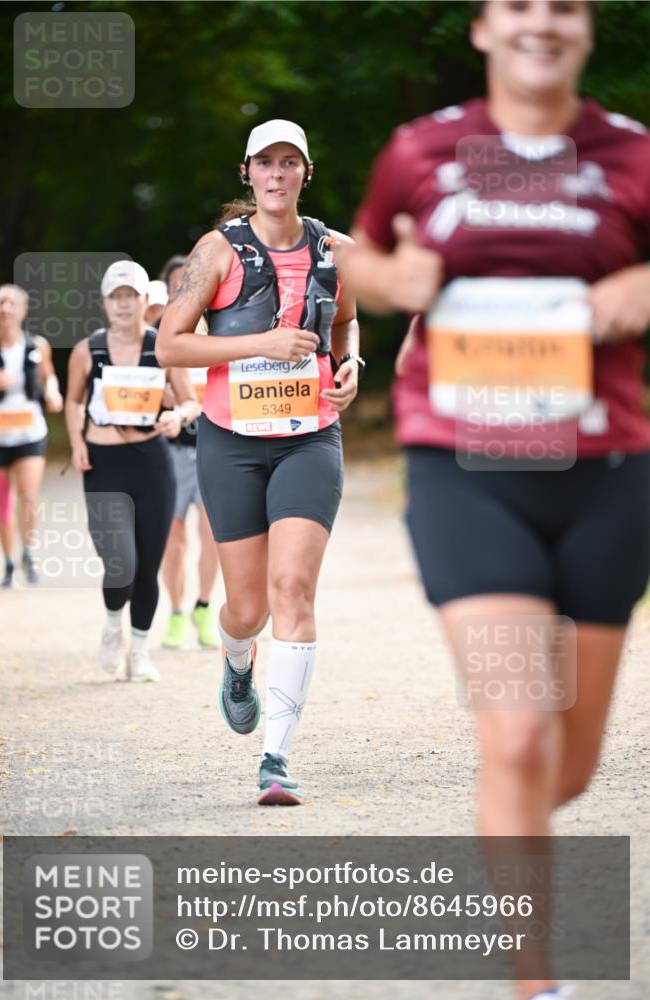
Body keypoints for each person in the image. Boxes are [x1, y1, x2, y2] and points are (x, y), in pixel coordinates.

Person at [343, 2, 650, 998]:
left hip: (603, 476)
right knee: (516, 732)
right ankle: (534, 981)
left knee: (566, 768)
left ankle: (507, 827)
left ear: (587, 29)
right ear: (482, 28)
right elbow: (359, 257)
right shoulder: (420, 150)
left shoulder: (632, 155)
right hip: (466, 470)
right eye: (520, 4)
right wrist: (394, 276)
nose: (541, 24)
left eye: (564, 6)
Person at [157, 119, 361, 804]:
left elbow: (343, 323)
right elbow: (169, 346)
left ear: (307, 172)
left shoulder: (337, 250)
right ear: (247, 172)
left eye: (289, 162)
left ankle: (275, 758)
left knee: (292, 592)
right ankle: (237, 657)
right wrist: (260, 343)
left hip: (310, 437)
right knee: (247, 609)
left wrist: (351, 364)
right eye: (264, 163)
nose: (277, 174)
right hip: (232, 441)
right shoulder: (216, 251)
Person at [65, 260, 200, 682]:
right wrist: (76, 442)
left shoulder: (164, 347)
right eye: (115, 297)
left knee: (147, 566)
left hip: (152, 464)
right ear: (105, 303)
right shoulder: (88, 350)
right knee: (120, 561)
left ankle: (139, 652)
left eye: (131, 296)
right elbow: (73, 401)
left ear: (145, 300)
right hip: (103, 464)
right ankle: (112, 627)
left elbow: (191, 400)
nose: (123, 304)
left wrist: (177, 416)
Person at [154, 256, 220, 651]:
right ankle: (177, 612)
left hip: (217, 450)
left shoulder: (223, 333)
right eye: (176, 286)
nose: (185, 292)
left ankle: (204, 607)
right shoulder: (160, 338)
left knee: (213, 537)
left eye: (190, 283)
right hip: (172, 452)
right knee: (173, 540)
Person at [0, 283, 63, 587]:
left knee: (28, 497)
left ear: (23, 310)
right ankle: (7, 563)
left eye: (11, 303)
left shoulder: (37, 346)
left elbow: (48, 376)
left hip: (30, 433)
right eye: (0, 303)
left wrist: (53, 392)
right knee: (3, 502)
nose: (5, 308)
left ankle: (28, 552)